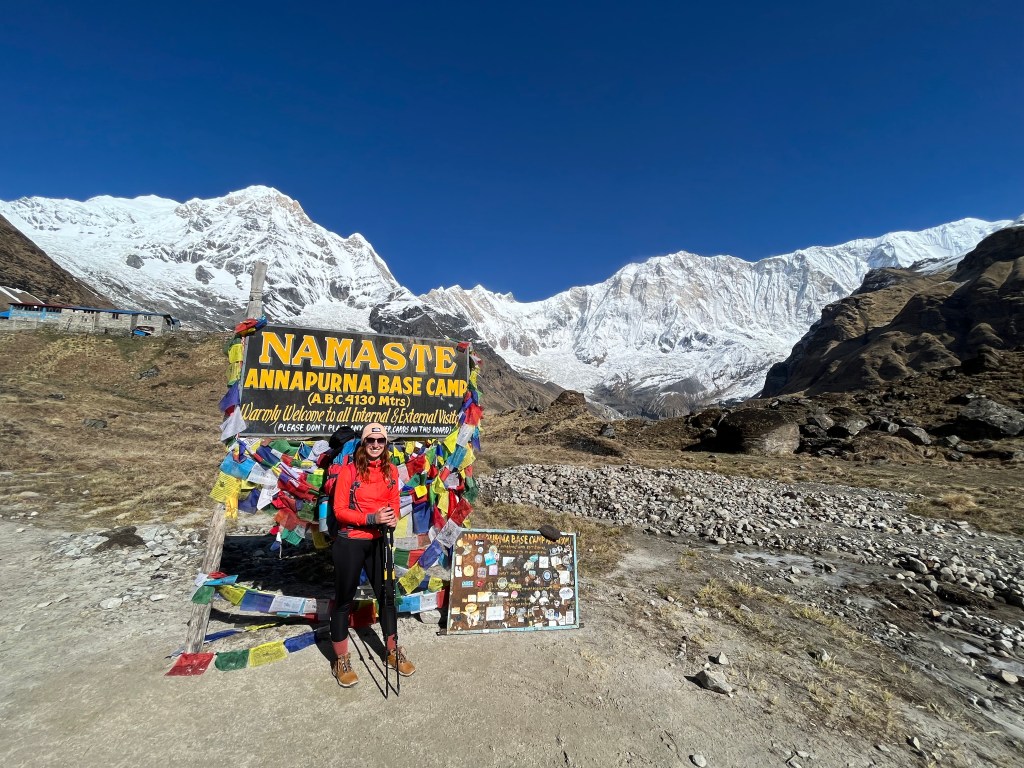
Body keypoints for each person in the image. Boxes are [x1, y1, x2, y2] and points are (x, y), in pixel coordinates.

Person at [329, 422, 416, 687]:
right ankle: (341, 659)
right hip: (350, 542)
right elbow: (339, 511)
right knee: (344, 600)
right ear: (363, 443)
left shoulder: (390, 471)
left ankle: (392, 650)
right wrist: (371, 517)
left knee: (387, 595)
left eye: (380, 441)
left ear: (386, 444)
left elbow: (393, 504)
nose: (376, 445)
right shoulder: (349, 472)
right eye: (370, 441)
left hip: (379, 541)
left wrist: (392, 517)